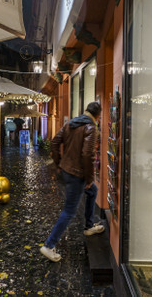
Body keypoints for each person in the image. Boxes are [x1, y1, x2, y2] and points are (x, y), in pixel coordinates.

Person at [40, 102, 104, 262]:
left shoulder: (70, 124)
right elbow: (87, 155)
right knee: (69, 211)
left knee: (93, 191)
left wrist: (58, 163)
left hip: (67, 170)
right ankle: (49, 245)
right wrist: (89, 179)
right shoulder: (91, 128)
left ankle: (89, 226)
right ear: (97, 115)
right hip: (77, 175)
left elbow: (54, 142)